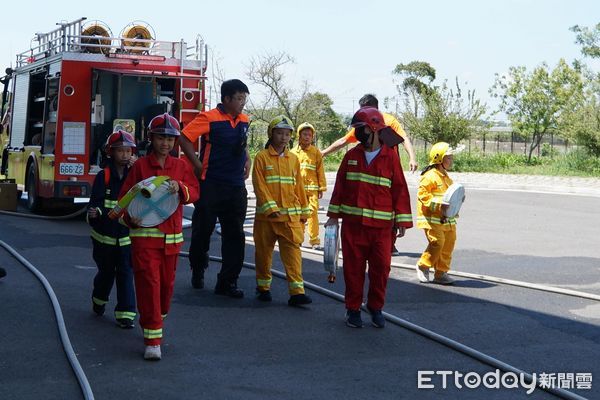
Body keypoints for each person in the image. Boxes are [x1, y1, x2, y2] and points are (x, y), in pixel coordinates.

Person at [118, 113, 199, 361]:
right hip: (144, 241)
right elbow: (124, 201)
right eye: (161, 137)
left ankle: (155, 320)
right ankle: (152, 341)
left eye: (170, 139)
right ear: (151, 139)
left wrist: (181, 188)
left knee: (165, 291)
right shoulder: (140, 166)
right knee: (149, 286)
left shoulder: (182, 167)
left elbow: (195, 192)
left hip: (171, 243)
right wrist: (129, 219)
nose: (166, 143)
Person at [325, 107, 413, 328]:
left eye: (361, 129)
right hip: (353, 227)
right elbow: (340, 188)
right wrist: (333, 216)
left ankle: (376, 307)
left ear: (374, 129)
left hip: (382, 229)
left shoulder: (390, 157)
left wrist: (401, 219)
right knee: (353, 270)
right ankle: (353, 309)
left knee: (381, 270)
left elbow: (400, 189)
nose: (357, 134)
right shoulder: (351, 156)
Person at [322, 94, 417, 257]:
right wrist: (323, 152)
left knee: (386, 205)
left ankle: (389, 242)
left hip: (387, 168)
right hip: (356, 218)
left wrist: (412, 158)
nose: (359, 132)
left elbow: (404, 139)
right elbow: (344, 142)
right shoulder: (360, 133)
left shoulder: (387, 122)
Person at [179, 79, 250, 298]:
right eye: (239, 98)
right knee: (203, 231)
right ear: (226, 99)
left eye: (244, 99)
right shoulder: (209, 117)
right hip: (211, 185)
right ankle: (198, 268)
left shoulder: (244, 120)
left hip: (236, 186)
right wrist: (198, 165)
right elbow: (184, 137)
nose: (242, 103)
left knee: (235, 235)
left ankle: (227, 282)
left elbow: (242, 143)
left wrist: (248, 160)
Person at [252, 115, 313, 306]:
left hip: (289, 219)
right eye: (279, 133)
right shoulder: (261, 158)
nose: (284, 137)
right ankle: (263, 288)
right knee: (263, 254)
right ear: (271, 134)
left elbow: (299, 187)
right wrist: (270, 208)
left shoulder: (293, 159)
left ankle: (297, 292)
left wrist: (304, 214)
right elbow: (259, 185)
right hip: (267, 219)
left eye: (287, 134)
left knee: (293, 254)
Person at [87, 130, 137, 329]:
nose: (125, 155)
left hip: (125, 237)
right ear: (111, 152)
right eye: (120, 151)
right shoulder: (103, 176)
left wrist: (138, 169)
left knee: (125, 272)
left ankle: (126, 314)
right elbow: (96, 202)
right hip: (104, 238)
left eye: (128, 151)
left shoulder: (134, 175)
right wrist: (96, 212)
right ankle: (99, 301)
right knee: (106, 273)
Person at [415, 142, 461, 285]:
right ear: (439, 159)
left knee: (449, 243)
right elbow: (423, 196)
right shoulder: (429, 176)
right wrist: (440, 205)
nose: (451, 160)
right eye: (448, 157)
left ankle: (441, 273)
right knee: (437, 243)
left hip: (446, 219)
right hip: (432, 219)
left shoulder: (446, 177)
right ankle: (423, 266)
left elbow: (451, 197)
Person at [290, 122, 327, 250]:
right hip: (297, 190)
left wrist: (321, 187)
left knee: (312, 214)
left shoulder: (316, 152)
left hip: (312, 189)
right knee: (299, 214)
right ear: (299, 136)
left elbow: (320, 170)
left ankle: (314, 241)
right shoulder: (292, 153)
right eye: (304, 134)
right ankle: (298, 239)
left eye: (310, 135)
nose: (307, 137)